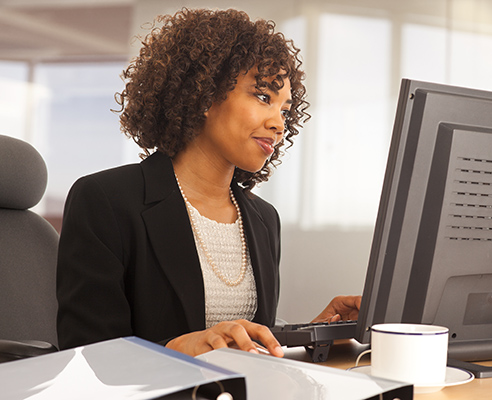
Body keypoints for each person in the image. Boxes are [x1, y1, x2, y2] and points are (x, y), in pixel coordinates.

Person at [56, 8, 360, 358]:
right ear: (203, 94)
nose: (279, 123)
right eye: (263, 97)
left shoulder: (263, 220)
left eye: (285, 110)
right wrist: (175, 350)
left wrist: (313, 335)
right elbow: (85, 356)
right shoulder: (106, 201)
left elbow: (245, 348)